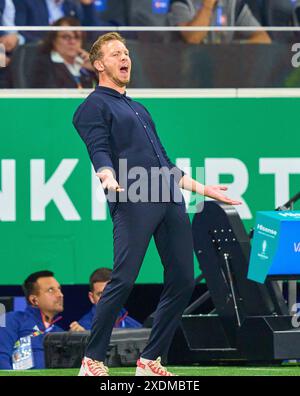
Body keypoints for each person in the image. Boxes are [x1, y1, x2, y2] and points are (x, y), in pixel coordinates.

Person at [73, 31, 241, 376]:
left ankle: (150, 360)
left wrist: (205, 189)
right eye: (116, 53)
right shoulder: (93, 105)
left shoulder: (138, 108)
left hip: (168, 194)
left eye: (127, 53)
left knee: (182, 278)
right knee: (124, 277)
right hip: (133, 194)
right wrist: (106, 174)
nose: (125, 58)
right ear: (99, 64)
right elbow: (98, 147)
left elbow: (164, 162)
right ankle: (92, 360)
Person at [0, 270, 64, 370]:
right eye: (51, 290)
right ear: (34, 300)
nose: (60, 295)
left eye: (59, 289)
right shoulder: (12, 320)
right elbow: (1, 358)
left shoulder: (61, 333)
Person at [30, 17, 96, 89]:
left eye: (77, 37)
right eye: (66, 37)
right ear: (54, 40)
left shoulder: (86, 63)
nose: (72, 42)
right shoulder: (43, 64)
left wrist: (96, 69)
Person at [69, 267, 142, 331]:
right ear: (91, 298)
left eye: (110, 293)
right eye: (100, 294)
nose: (106, 299)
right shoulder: (82, 329)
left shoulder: (136, 327)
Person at [168, 0, 271, 44]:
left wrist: (233, 48)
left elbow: (263, 39)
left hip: (223, 68)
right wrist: (208, 5)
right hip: (187, 71)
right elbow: (194, 38)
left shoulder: (233, 4)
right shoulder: (182, 2)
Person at [13, 0, 101, 42]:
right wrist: (46, 45)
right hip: (38, 53)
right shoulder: (26, 2)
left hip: (67, 55)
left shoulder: (71, 5)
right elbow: (19, 30)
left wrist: (87, 6)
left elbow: (91, 33)